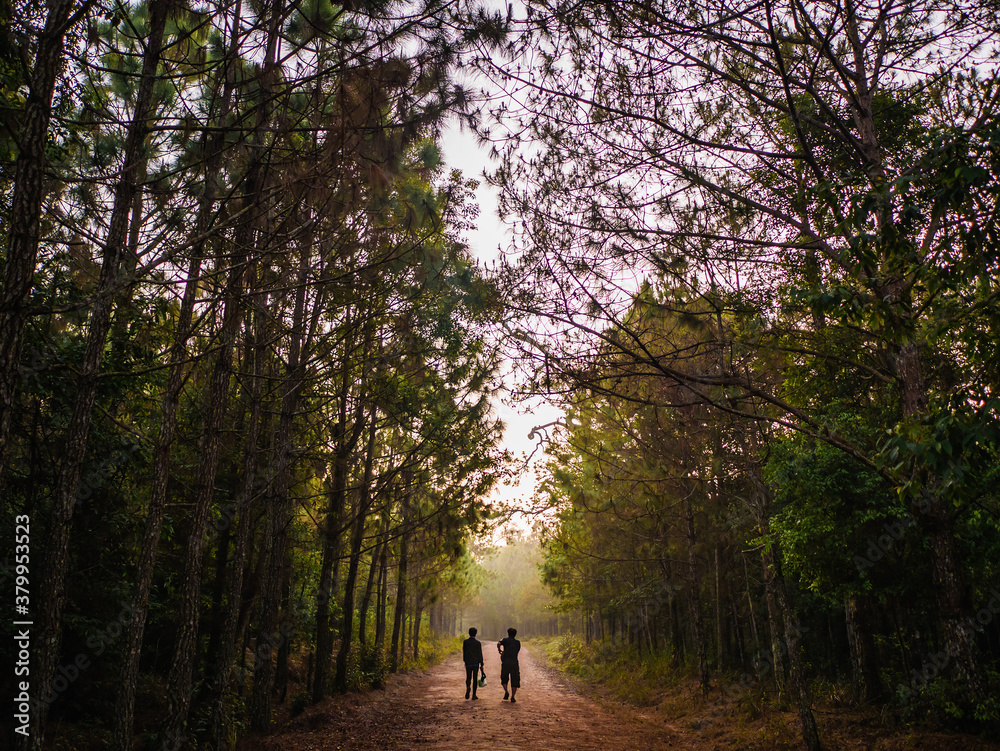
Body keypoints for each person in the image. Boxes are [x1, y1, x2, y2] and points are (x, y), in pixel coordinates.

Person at [497, 627, 521, 702]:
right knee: (515, 679)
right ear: (515, 634)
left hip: (505, 662)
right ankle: (513, 696)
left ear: (508, 633)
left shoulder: (505, 640)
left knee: (504, 678)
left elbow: (498, 643)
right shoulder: (518, 642)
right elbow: (517, 652)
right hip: (514, 662)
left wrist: (500, 650)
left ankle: (506, 692)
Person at [462, 627, 484, 699]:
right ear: (476, 634)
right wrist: (481, 663)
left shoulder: (465, 642)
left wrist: (465, 660)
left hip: (468, 662)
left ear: (469, 633)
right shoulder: (478, 643)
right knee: (475, 678)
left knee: (468, 677)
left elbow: (464, 652)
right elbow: (479, 654)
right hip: (475, 663)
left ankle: (468, 687)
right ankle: (474, 695)